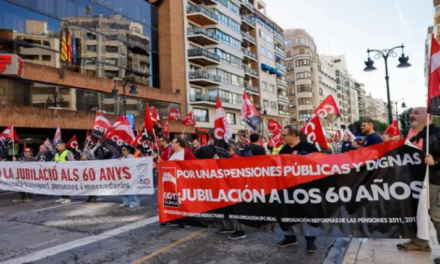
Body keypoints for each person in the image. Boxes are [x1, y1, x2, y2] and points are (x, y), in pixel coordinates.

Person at [396, 107, 440, 262]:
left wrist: (435, 161)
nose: (411, 115)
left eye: (416, 113)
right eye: (411, 113)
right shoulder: (409, 134)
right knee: (416, 212)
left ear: (430, 116)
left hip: (433, 181)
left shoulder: (436, 133)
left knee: (437, 217)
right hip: (414, 181)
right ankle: (420, 242)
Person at [277, 125, 318, 254]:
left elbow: (319, 165)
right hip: (288, 189)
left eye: (284, 135)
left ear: (294, 135)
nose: (282, 138)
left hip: (306, 189)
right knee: (287, 213)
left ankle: (310, 242)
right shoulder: (283, 150)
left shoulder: (309, 148)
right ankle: (290, 237)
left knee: (308, 215)